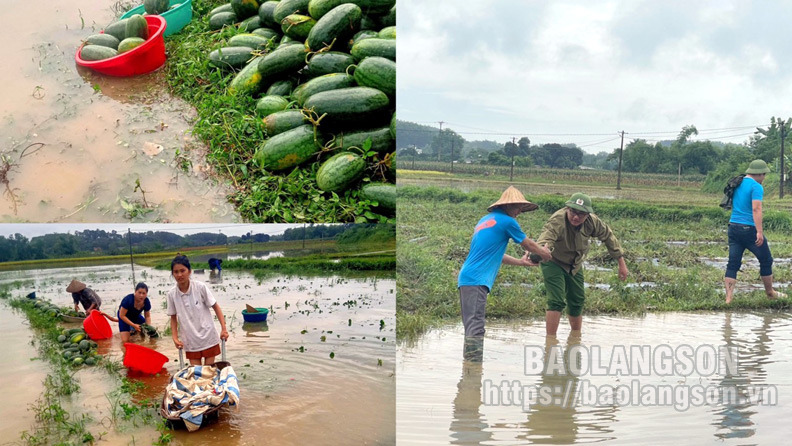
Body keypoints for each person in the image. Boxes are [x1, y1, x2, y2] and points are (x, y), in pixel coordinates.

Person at [457, 186, 551, 338]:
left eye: (521, 208)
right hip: (476, 280)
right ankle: (473, 361)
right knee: (476, 329)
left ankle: (470, 361)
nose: (519, 212)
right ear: (507, 206)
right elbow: (527, 244)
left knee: (472, 326)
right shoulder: (507, 222)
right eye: (517, 207)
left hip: (467, 278)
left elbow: (494, 255)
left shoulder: (486, 220)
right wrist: (544, 253)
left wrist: (521, 262)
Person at [532, 193, 628, 336]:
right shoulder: (558, 220)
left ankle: (575, 338)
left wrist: (621, 263)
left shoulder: (592, 222)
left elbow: (608, 236)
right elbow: (546, 238)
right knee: (556, 301)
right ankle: (550, 341)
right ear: (567, 209)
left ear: (587, 215)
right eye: (573, 212)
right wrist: (539, 252)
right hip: (553, 261)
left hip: (575, 264)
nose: (576, 217)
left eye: (581, 214)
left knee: (577, 300)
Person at [724, 159, 785, 303]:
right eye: (764, 175)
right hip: (748, 229)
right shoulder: (756, 187)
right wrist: (759, 231)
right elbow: (756, 208)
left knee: (733, 263)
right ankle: (770, 292)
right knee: (766, 259)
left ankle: (728, 299)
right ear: (759, 174)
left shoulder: (738, 182)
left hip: (733, 227)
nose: (764, 178)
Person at [167, 255, 229, 366]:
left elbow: (216, 307)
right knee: (197, 375)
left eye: (182, 271)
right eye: (176, 272)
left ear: (189, 271)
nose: (179, 275)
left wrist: (224, 329)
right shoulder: (172, 295)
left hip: (208, 337)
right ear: (173, 274)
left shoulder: (200, 287)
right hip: (190, 341)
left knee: (208, 374)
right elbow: (173, 318)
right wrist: (175, 338)